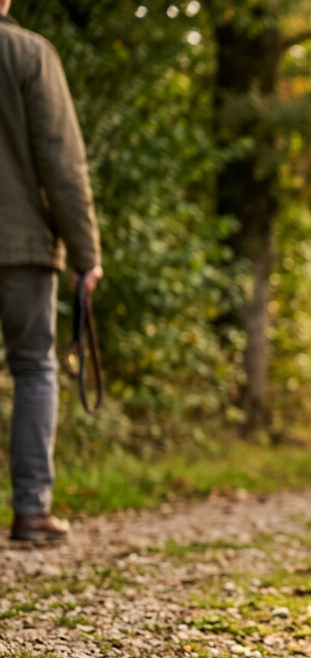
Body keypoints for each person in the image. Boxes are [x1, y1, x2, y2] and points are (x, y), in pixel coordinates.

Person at [1, 1, 104, 542]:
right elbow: (63, 163)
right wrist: (85, 254)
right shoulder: (30, 54)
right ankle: (31, 510)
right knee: (34, 368)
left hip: (22, 243)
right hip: (21, 245)